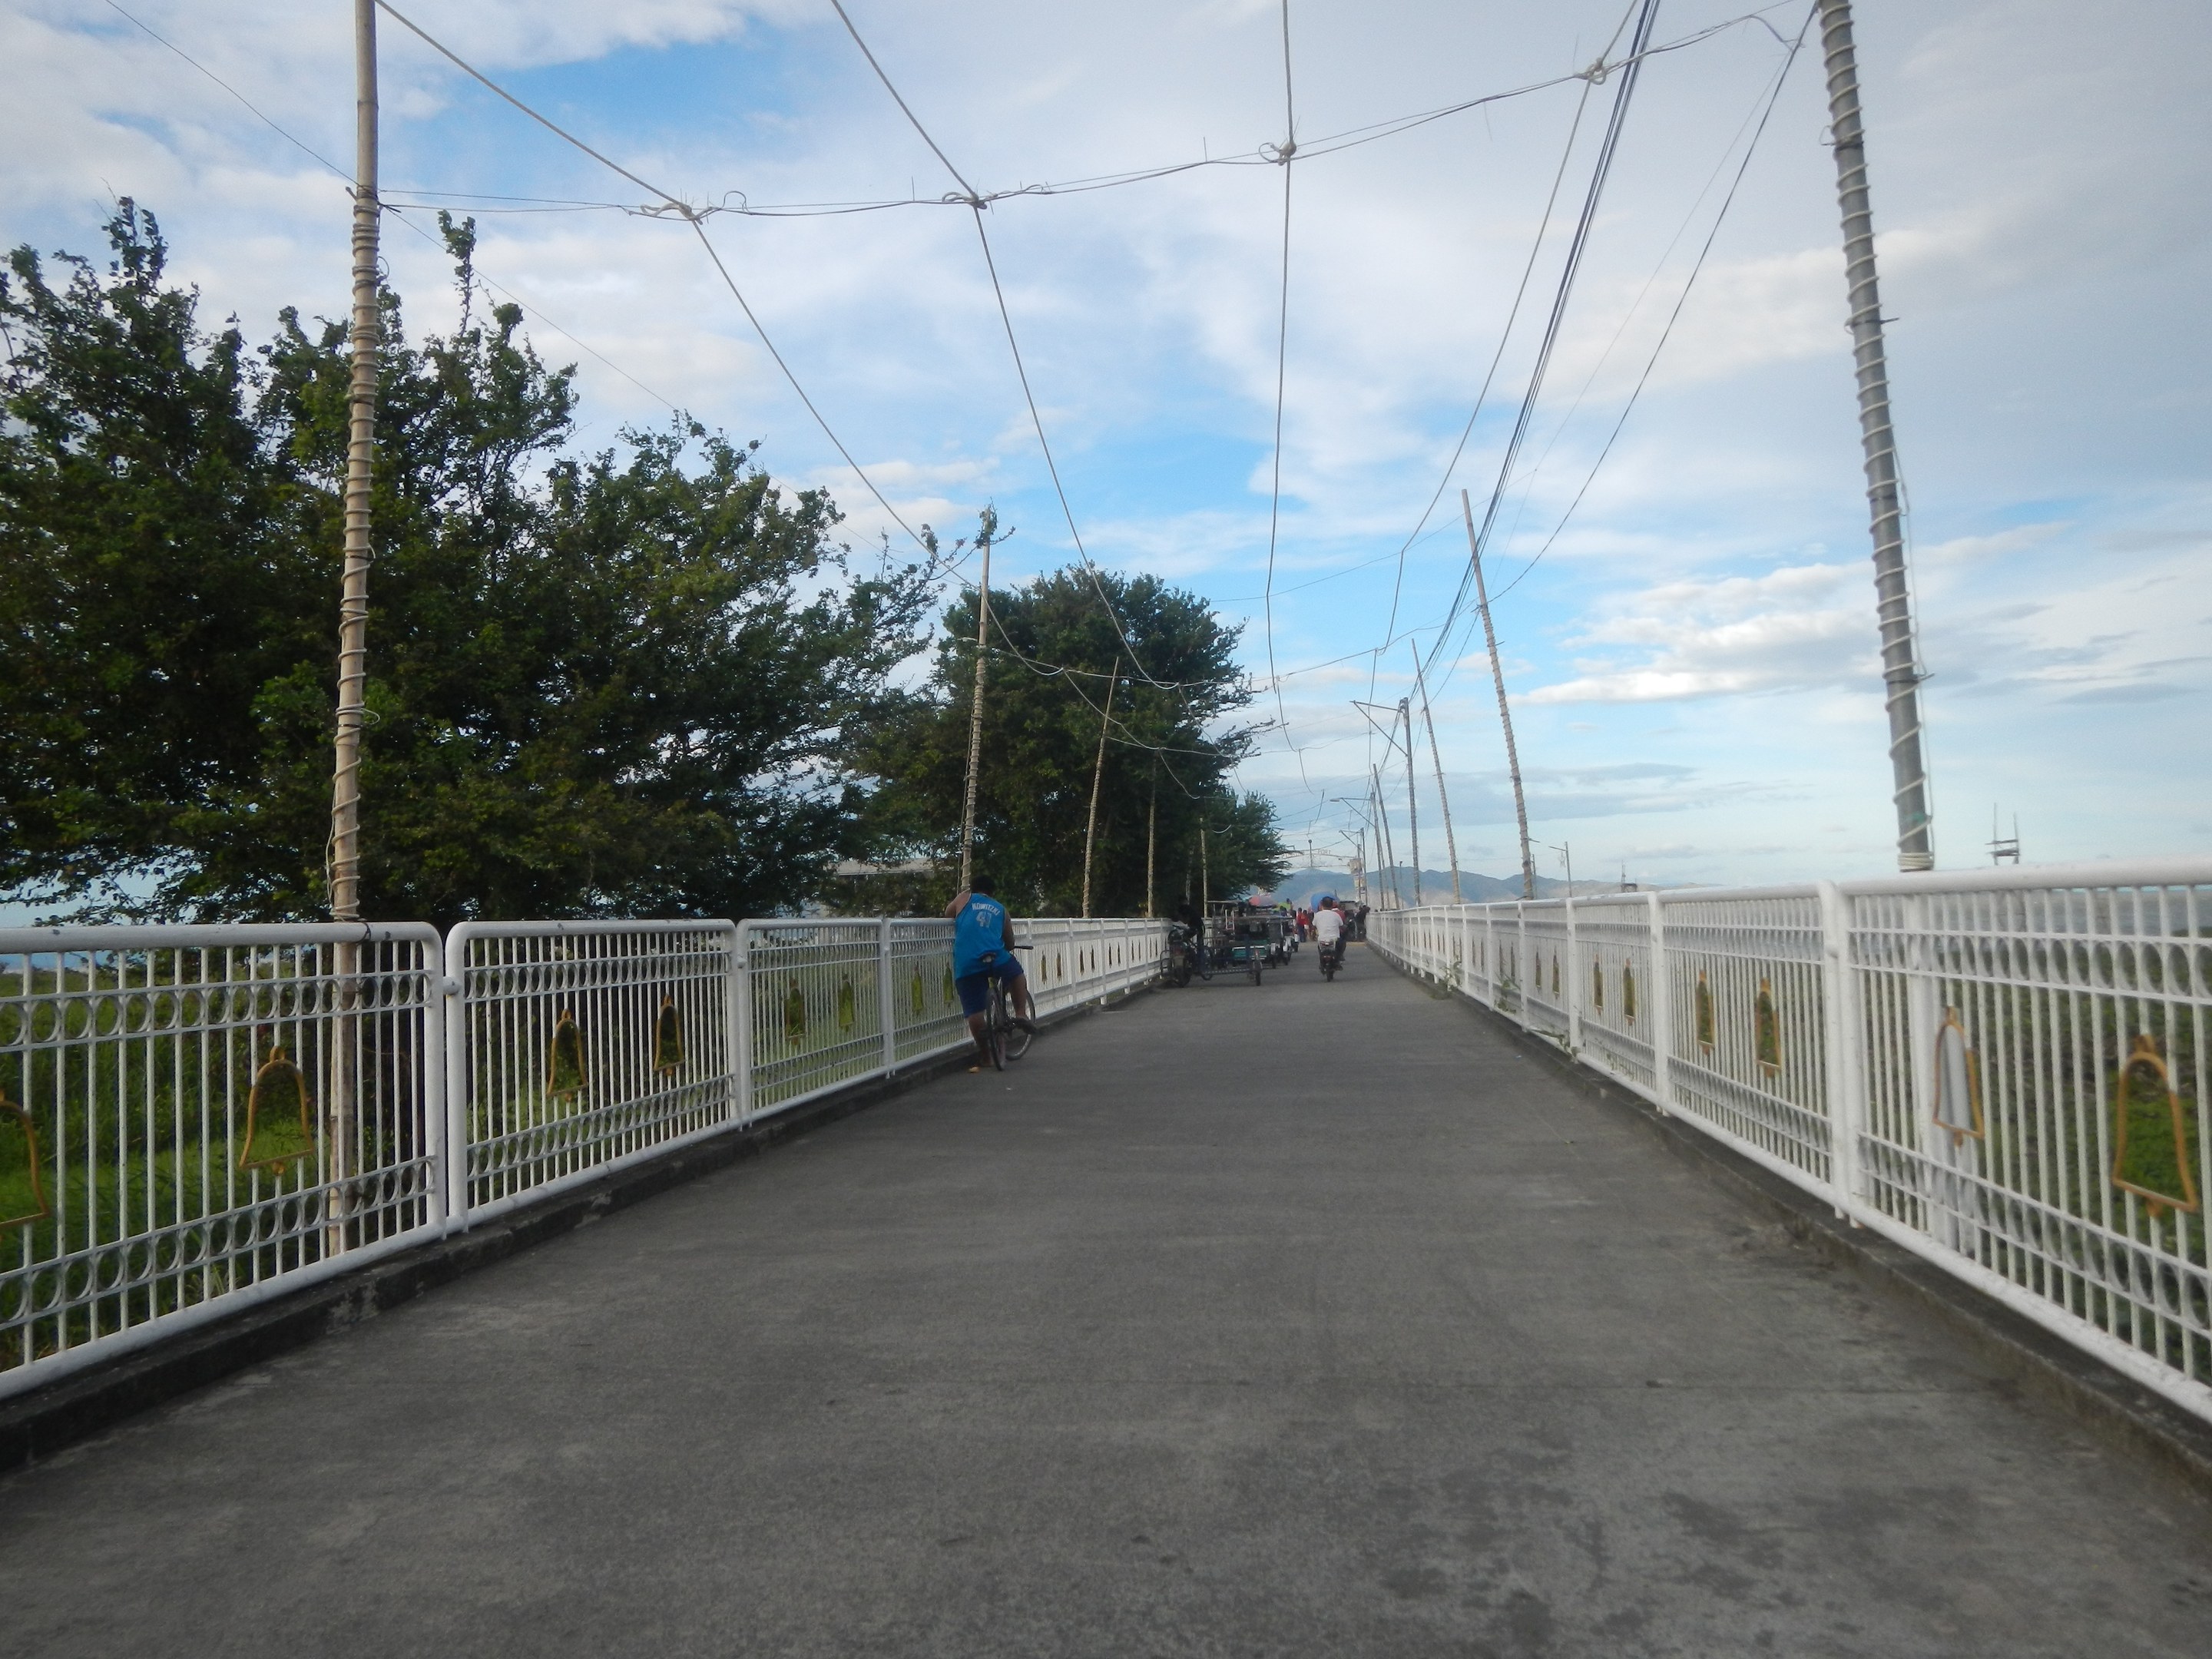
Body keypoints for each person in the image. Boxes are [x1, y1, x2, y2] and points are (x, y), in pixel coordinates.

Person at [945, 882, 1035, 1071]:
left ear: (973, 889)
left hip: (967, 961)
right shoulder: (1001, 909)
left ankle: (986, 1057)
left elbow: (948, 913)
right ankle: (1020, 1013)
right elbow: (1009, 942)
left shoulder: (963, 898)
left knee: (975, 1011)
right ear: (992, 893)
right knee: (1016, 974)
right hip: (996, 957)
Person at [1312, 895, 1346, 971]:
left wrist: (1313, 936)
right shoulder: (1336, 915)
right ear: (1332, 905)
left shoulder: (1317, 915)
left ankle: (1321, 963)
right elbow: (1342, 926)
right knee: (1342, 944)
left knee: (1320, 950)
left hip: (1321, 939)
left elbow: (1313, 927)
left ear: (1322, 905)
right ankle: (1338, 960)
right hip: (1335, 940)